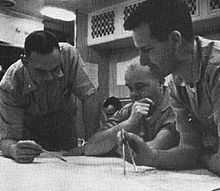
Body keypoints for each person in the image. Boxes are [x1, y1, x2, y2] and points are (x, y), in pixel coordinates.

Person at [120, 0, 220, 175]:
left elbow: (197, 155)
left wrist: (201, 156)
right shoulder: (176, 83)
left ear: (175, 40)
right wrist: (150, 156)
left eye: (147, 49)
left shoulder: (216, 69)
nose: (142, 61)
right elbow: (189, 149)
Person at [0, 30, 100, 163]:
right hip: (31, 139)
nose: (50, 78)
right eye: (41, 71)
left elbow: (90, 97)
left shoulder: (69, 55)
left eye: (55, 69)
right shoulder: (10, 84)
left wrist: (91, 143)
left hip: (65, 129)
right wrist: (13, 149)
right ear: (25, 61)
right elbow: (7, 138)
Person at [84, 63, 179, 156]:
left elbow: (152, 149)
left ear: (160, 83)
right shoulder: (128, 110)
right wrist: (129, 123)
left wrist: (112, 146)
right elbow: (90, 148)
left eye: (140, 87)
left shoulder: (175, 107)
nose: (133, 94)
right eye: (130, 88)